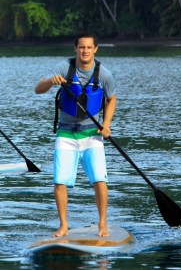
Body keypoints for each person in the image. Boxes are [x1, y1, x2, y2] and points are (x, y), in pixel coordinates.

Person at [34, 32, 116, 238]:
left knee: (99, 180)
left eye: (89, 47)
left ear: (95, 49)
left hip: (92, 135)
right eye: (81, 47)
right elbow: (38, 89)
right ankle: (63, 226)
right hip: (66, 134)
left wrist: (106, 124)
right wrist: (51, 81)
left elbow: (111, 99)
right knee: (60, 181)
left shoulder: (104, 74)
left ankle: (102, 223)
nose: (85, 51)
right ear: (75, 48)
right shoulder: (64, 68)